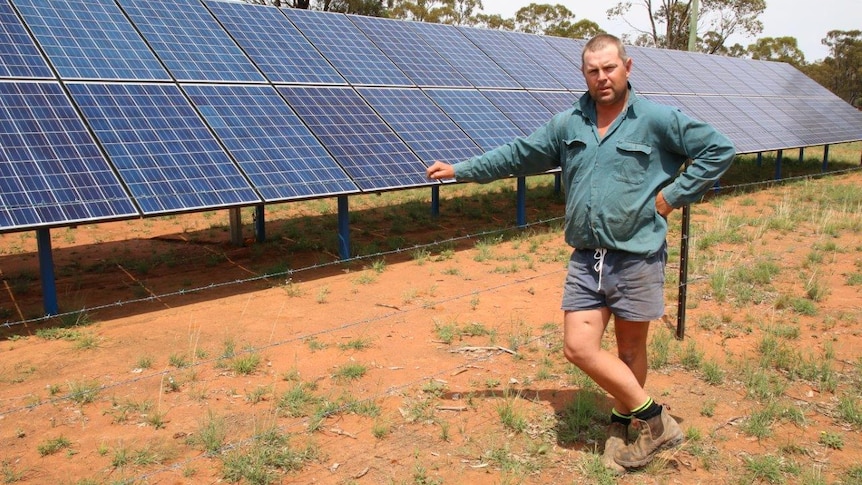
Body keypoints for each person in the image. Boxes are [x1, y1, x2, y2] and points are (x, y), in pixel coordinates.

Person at [426, 33, 735, 472]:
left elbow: (719, 149)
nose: (602, 77)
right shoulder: (569, 122)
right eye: (593, 70)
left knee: (630, 352)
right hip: (587, 258)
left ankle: (623, 421)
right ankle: (656, 420)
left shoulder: (656, 119)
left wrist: (674, 195)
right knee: (578, 347)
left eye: (610, 68)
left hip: (636, 254)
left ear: (628, 68)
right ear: (584, 74)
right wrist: (462, 170)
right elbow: (519, 154)